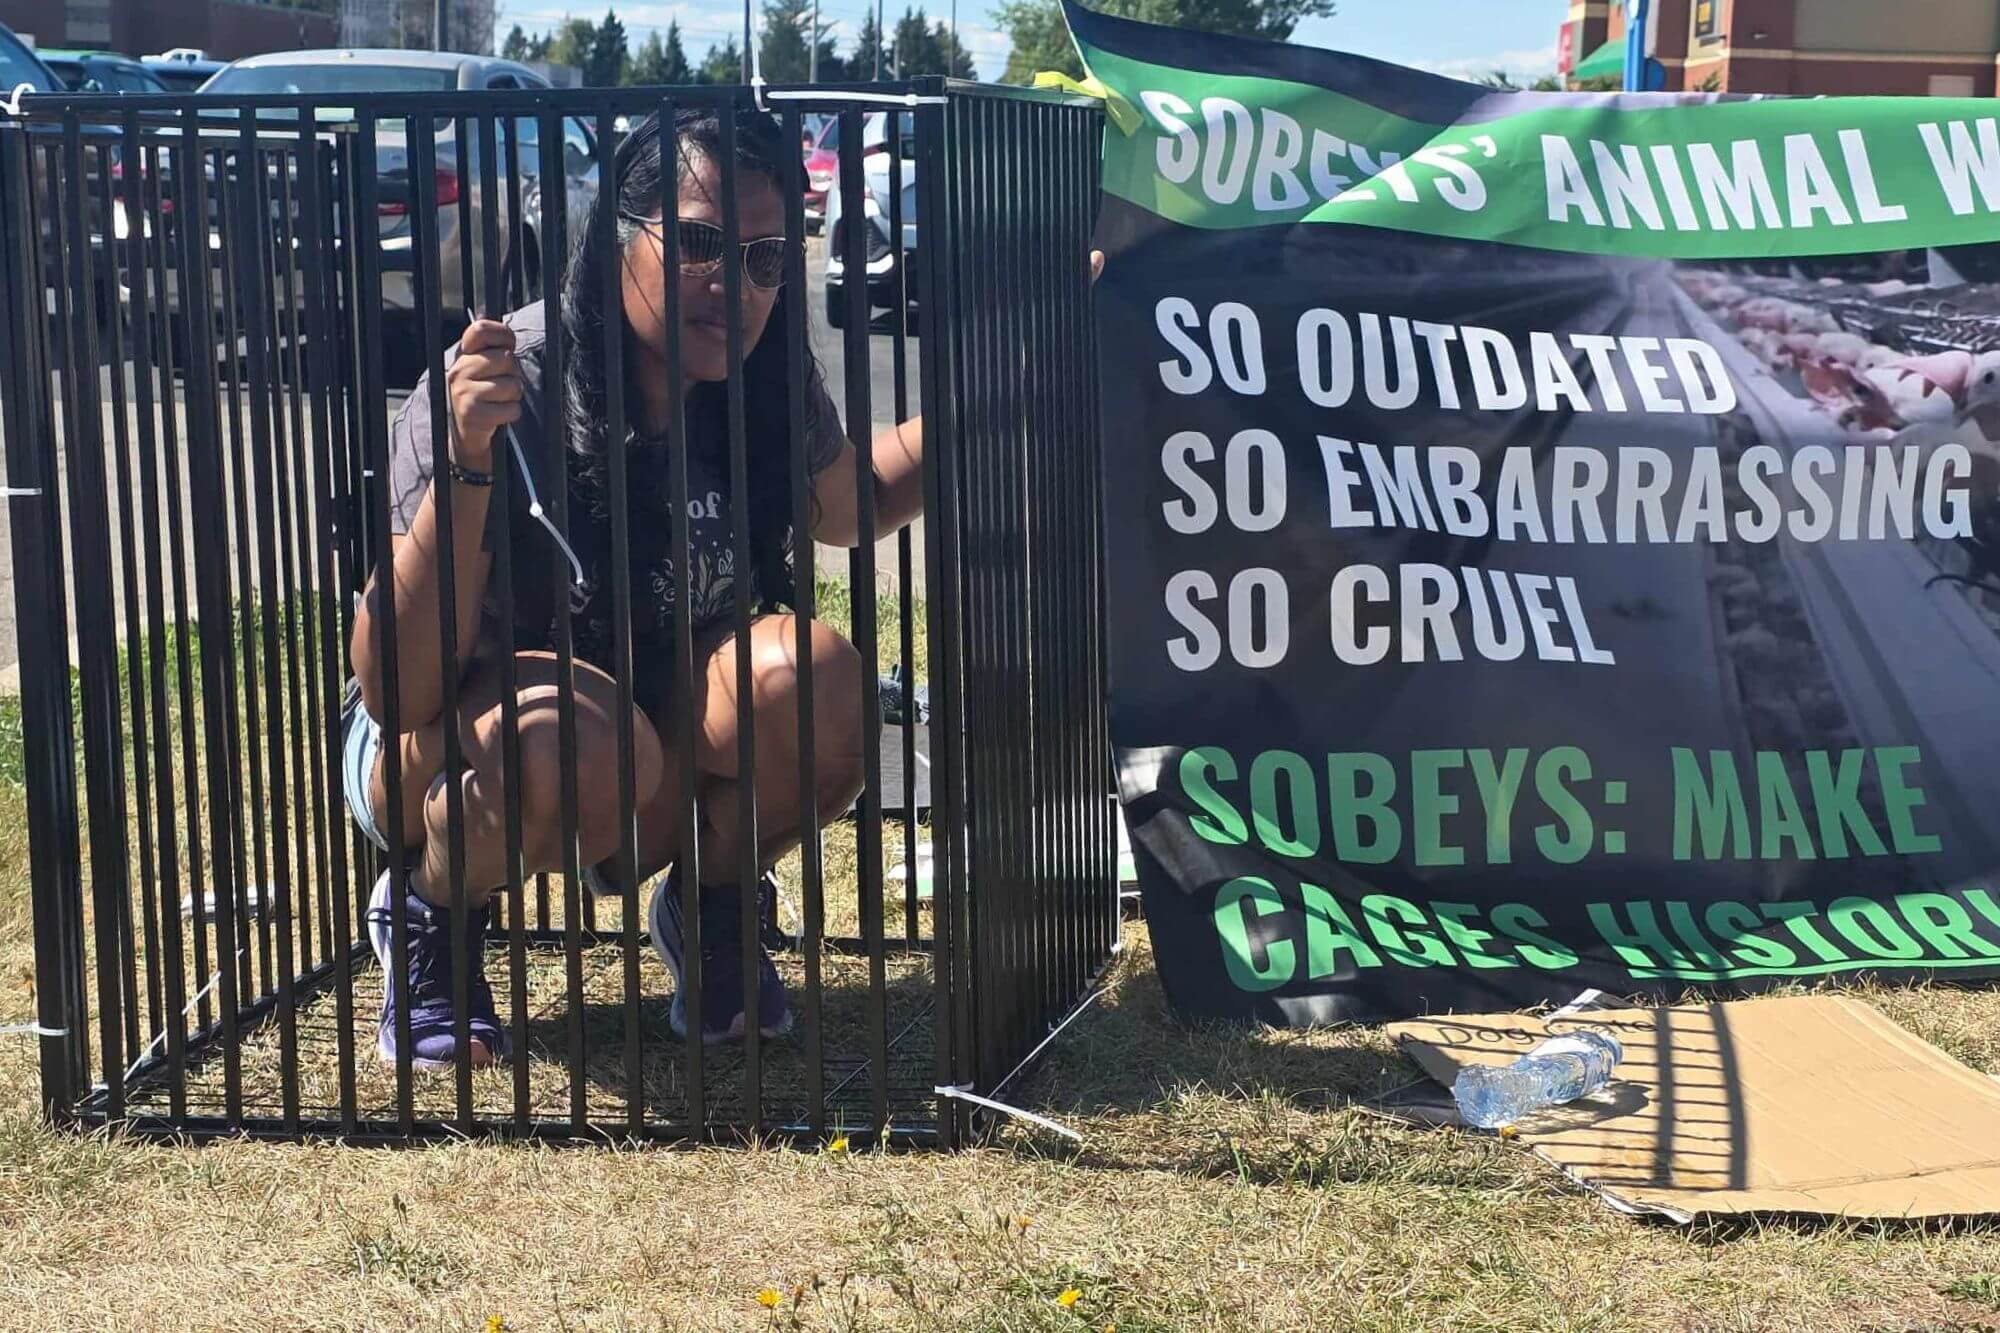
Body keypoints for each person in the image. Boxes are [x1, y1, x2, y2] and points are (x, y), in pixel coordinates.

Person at [343, 105, 916, 1068]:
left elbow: (848, 504)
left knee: (814, 683)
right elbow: (401, 689)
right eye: (698, 243)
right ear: (616, 231)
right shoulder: (509, 378)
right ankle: (431, 916)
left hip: (647, 731)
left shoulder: (762, 375)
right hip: (447, 743)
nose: (734, 288)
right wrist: (466, 459)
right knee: (568, 738)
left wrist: (1010, 383)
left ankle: (715, 910)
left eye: (767, 259)